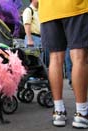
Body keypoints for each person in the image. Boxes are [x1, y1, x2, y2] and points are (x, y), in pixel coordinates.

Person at [39, 0, 88, 128]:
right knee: (79, 57)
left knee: (54, 58)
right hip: (75, 6)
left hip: (48, 9)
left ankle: (58, 111)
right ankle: (81, 113)